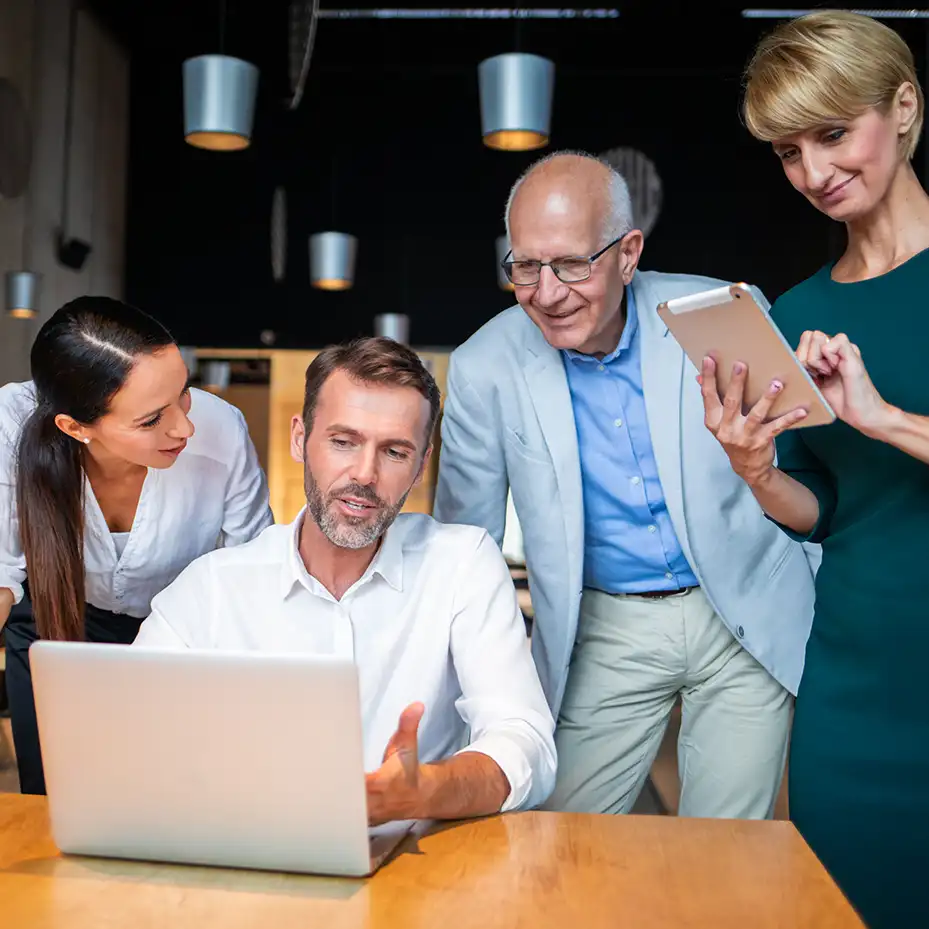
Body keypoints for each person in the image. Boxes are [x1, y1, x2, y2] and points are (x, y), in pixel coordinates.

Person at [434, 151, 817, 819]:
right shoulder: (481, 367)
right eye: (526, 266)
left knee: (723, 854)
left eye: (571, 264)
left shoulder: (727, 314)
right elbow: (465, 546)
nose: (546, 292)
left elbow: (805, 468)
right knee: (558, 843)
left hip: (741, 607)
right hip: (600, 624)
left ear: (627, 252)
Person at [698, 12, 929, 928]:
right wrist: (754, 469)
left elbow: (875, 436)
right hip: (852, 688)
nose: (812, 172)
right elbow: (820, 508)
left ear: (903, 107)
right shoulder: (794, 311)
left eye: (833, 133)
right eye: (788, 152)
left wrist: (885, 420)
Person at [133, 337, 556, 824]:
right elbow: (134, 740)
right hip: (249, 859)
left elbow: (524, 741)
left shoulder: (462, 564)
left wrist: (424, 791)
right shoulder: (210, 588)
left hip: (417, 866)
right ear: (300, 439)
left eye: (395, 452)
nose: (365, 474)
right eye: (343, 441)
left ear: (421, 464)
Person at [0, 296, 273, 795]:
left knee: (166, 797)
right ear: (75, 427)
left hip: (179, 635)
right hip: (55, 624)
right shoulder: (10, 425)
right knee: (53, 798)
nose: (185, 427)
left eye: (184, 393)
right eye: (151, 420)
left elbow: (254, 572)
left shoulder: (222, 430)